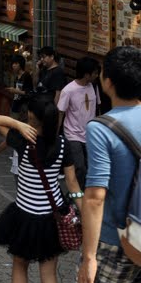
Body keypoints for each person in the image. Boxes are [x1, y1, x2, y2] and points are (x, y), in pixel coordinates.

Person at [45, 46, 141, 283]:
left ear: (107, 82)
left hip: (116, 245)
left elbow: (95, 196)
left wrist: (88, 257)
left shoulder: (102, 128)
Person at [0, 97, 82, 283]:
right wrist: (84, 212)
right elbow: (73, 185)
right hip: (49, 219)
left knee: (20, 265)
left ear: (31, 118)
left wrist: (19, 126)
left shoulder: (21, 139)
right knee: (49, 274)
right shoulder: (64, 145)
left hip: (23, 215)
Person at [57, 57, 101, 188]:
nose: (97, 75)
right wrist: (56, 134)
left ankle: (82, 193)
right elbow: (61, 112)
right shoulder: (68, 90)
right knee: (80, 167)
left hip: (90, 134)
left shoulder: (94, 86)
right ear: (87, 74)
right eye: (95, 72)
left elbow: (97, 108)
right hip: (73, 134)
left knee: (91, 166)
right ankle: (78, 197)